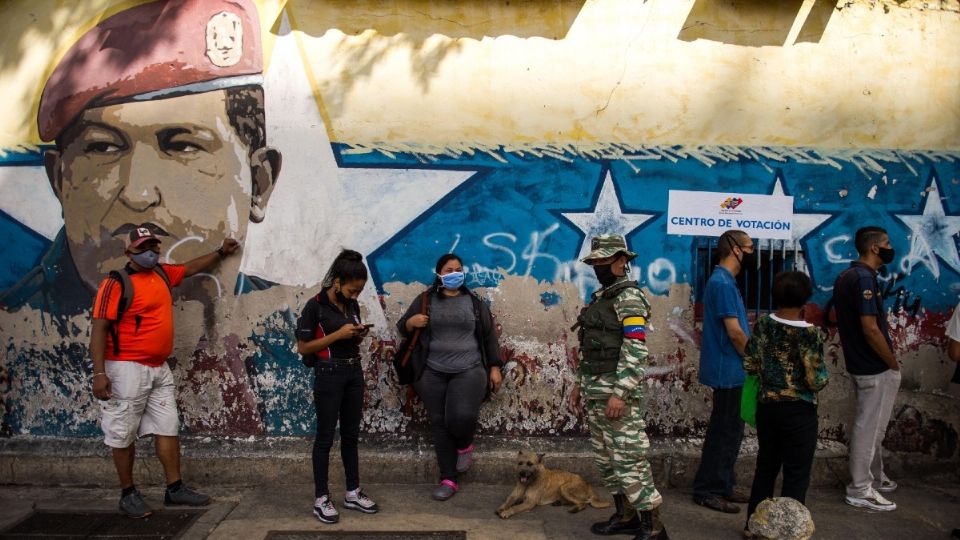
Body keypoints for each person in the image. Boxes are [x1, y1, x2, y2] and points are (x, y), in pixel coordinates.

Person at [0, 0, 284, 437]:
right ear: (60, 180)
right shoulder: (15, 333)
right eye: (103, 148)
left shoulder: (290, 326)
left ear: (259, 184)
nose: (137, 193)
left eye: (183, 145)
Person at [90, 225, 239, 518]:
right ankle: (128, 493)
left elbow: (189, 268)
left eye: (154, 247)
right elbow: (99, 329)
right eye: (143, 248)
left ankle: (175, 488)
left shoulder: (161, 273)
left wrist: (221, 252)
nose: (150, 253)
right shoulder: (116, 283)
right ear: (129, 251)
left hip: (158, 368)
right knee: (123, 432)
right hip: (125, 369)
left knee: (167, 426)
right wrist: (99, 373)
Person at [569, 234, 668, 540]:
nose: (598, 266)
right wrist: (579, 384)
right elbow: (590, 347)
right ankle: (626, 517)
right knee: (608, 461)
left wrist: (620, 392)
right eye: (595, 261)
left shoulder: (629, 298)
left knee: (629, 459)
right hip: (596, 391)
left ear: (622, 261)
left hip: (616, 395)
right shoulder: (604, 297)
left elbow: (635, 348)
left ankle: (654, 528)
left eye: (604, 260)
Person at [396, 253, 503, 501]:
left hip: (469, 369)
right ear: (439, 274)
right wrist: (412, 322)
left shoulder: (474, 303)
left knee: (461, 416)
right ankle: (448, 478)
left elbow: (488, 337)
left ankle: (464, 444)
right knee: (439, 423)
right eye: (448, 269)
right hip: (431, 371)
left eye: (458, 269)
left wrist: (495, 367)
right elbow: (402, 328)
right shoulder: (425, 300)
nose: (454, 273)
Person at [295, 249, 379, 524]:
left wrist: (357, 333)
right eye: (353, 290)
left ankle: (352, 491)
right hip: (328, 375)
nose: (356, 296)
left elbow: (348, 338)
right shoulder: (315, 306)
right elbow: (304, 347)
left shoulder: (351, 306)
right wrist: (338, 334)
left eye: (359, 291)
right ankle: (321, 497)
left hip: (353, 372)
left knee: (351, 436)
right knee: (325, 437)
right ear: (338, 282)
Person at [743, 271, 829, 526]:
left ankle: (753, 525)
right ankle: (788, 530)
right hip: (799, 411)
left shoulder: (764, 325)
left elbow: (749, 362)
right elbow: (817, 380)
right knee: (796, 473)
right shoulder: (810, 335)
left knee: (766, 467)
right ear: (806, 298)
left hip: (767, 406)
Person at [832, 226, 900, 512]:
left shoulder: (850, 275)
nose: (889, 247)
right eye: (886, 243)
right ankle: (860, 488)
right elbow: (870, 328)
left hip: (865, 364)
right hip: (873, 366)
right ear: (874, 248)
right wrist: (891, 361)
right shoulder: (862, 279)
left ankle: (874, 477)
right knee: (868, 428)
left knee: (873, 426)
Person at [693, 229, 754, 513]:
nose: (754, 254)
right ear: (735, 249)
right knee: (724, 431)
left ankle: (724, 484)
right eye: (750, 247)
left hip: (733, 370)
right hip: (728, 369)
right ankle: (709, 490)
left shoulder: (726, 281)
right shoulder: (723, 283)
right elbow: (735, 333)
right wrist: (755, 360)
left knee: (731, 431)